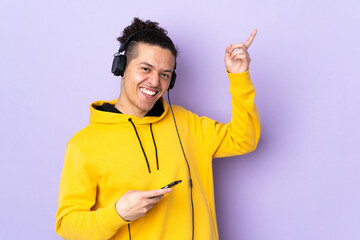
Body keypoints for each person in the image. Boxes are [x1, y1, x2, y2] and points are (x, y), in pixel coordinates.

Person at [56, 17, 261, 240]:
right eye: (146, 68)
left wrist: (239, 77)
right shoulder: (83, 145)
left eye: (165, 74)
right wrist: (117, 214)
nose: (155, 82)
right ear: (121, 68)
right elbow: (68, 226)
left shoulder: (186, 122)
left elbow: (244, 139)